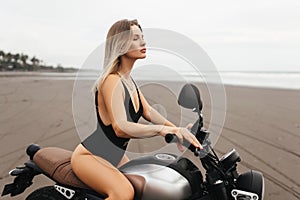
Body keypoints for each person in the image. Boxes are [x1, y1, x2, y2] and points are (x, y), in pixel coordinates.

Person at [71, 19, 202, 200]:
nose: (143, 42)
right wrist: (163, 130)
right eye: (135, 38)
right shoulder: (111, 81)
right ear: (120, 44)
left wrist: (178, 131)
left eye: (142, 37)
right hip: (90, 157)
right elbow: (120, 127)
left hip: (115, 157)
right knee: (124, 193)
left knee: (145, 187)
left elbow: (148, 112)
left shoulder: (129, 81)